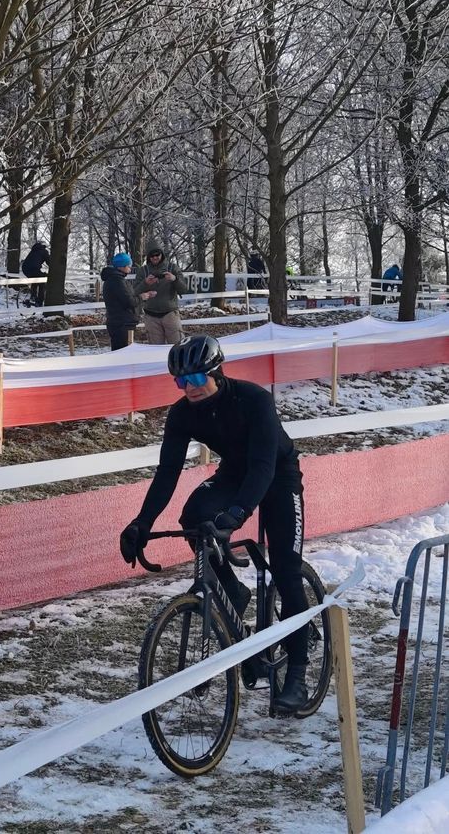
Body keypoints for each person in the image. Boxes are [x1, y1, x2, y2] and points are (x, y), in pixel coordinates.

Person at [118, 334, 310, 715]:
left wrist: (238, 513)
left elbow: (263, 467)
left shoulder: (253, 399)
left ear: (216, 372)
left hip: (277, 475)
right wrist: (141, 522)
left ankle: (298, 675)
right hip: (234, 473)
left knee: (286, 572)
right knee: (194, 517)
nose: (187, 389)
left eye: (193, 380)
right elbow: (167, 472)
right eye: (179, 381)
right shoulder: (182, 413)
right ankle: (231, 591)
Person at [133, 242, 187, 344]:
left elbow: (183, 290)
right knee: (155, 350)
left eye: (157, 254)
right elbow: (134, 292)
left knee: (177, 345)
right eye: (152, 255)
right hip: (151, 316)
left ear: (161, 254)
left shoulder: (172, 268)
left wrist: (174, 279)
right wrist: (145, 283)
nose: (155, 257)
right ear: (148, 257)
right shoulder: (143, 271)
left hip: (170, 314)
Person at [101, 252, 155, 350]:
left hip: (119, 322)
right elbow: (129, 301)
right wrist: (142, 297)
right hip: (122, 324)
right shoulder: (117, 281)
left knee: (121, 352)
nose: (130, 268)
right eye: (128, 266)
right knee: (123, 353)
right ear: (122, 266)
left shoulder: (113, 279)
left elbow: (128, 295)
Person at [20, 241, 50, 306]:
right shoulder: (44, 251)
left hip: (25, 269)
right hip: (34, 269)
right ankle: (39, 302)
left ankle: (33, 296)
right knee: (42, 281)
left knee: (35, 279)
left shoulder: (34, 250)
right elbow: (50, 262)